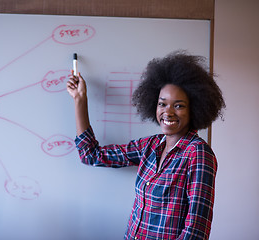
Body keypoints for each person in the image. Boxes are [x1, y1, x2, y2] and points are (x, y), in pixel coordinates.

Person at [66, 50, 225, 240]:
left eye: (179, 105)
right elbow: (90, 155)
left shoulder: (198, 154)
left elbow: (196, 232)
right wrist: (80, 99)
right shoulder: (151, 145)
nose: (168, 112)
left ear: (195, 108)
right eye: (162, 104)